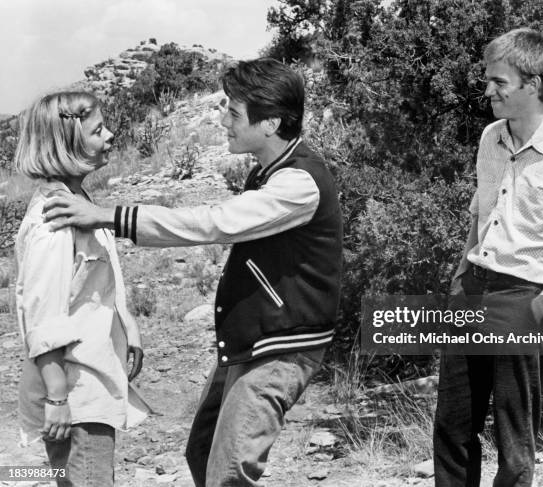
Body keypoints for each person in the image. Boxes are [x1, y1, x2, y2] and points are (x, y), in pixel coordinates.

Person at [42, 58, 343, 486]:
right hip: (252, 341)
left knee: (230, 472)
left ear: (271, 122)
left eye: (233, 113)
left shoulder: (298, 183)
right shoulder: (271, 170)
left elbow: (213, 223)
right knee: (202, 449)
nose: (222, 121)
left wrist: (108, 216)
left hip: (280, 346)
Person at [433, 29, 543, 486]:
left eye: (499, 82)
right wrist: (460, 274)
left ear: (533, 84)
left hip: (524, 299)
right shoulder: (490, 138)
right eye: (488, 79)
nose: (488, 90)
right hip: (471, 295)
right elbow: (479, 212)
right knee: (452, 428)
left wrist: (538, 307)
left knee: (514, 443)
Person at [14, 91, 149, 487]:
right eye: (98, 130)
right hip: (75, 391)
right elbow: (42, 314)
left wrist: (129, 333)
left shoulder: (77, 201)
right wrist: (56, 399)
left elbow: (94, 290)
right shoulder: (53, 218)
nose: (110, 135)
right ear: (67, 142)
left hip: (91, 380)